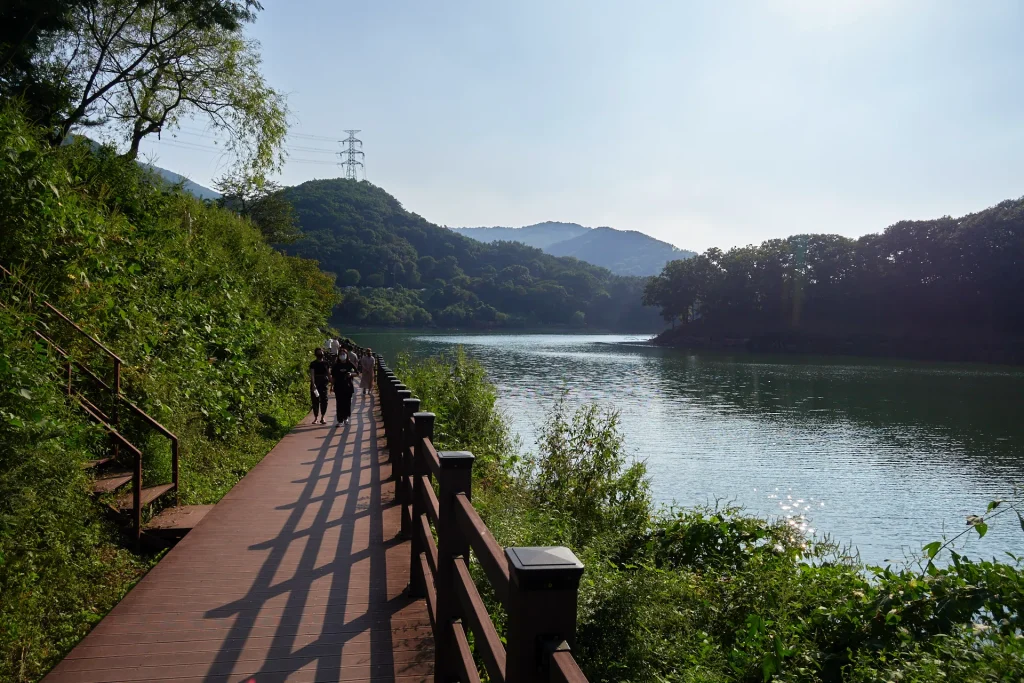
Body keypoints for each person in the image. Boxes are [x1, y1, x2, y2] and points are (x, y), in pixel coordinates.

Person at [331, 354, 355, 424]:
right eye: (341, 354)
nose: (342, 356)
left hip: (348, 386)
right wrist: (331, 386)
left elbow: (357, 373)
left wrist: (351, 374)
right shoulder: (336, 366)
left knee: (347, 402)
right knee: (339, 403)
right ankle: (339, 419)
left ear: (347, 355)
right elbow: (333, 377)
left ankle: (346, 417)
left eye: (344, 354)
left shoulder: (349, 364)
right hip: (338, 386)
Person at [308, 347, 330, 425]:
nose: (320, 354)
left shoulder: (326, 363)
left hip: (324, 383)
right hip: (316, 383)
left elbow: (328, 373)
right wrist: (313, 384)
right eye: (318, 353)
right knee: (315, 400)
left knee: (324, 400)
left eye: (321, 353)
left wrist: (332, 383)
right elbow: (312, 374)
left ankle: (323, 417)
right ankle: (316, 417)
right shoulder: (313, 364)